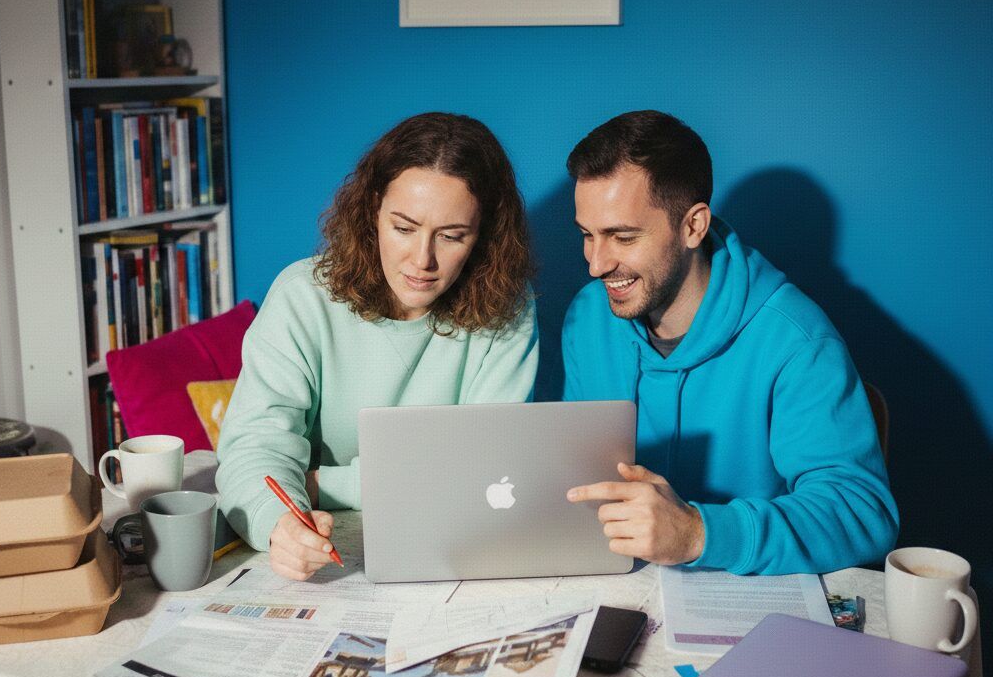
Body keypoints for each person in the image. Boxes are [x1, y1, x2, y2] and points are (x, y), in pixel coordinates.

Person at [562, 110, 898, 574]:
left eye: (623, 236)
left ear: (693, 226)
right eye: (587, 235)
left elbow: (861, 513)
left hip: (755, 604)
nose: (597, 264)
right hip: (619, 582)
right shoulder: (587, 316)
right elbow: (580, 469)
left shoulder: (796, 340)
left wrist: (699, 533)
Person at [216, 112, 538, 580]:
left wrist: (324, 483)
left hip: (447, 541)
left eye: (451, 236)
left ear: (483, 235)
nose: (422, 260)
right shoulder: (302, 296)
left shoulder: (509, 307)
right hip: (327, 546)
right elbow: (253, 448)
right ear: (372, 211)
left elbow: (485, 472)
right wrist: (279, 524)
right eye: (404, 228)